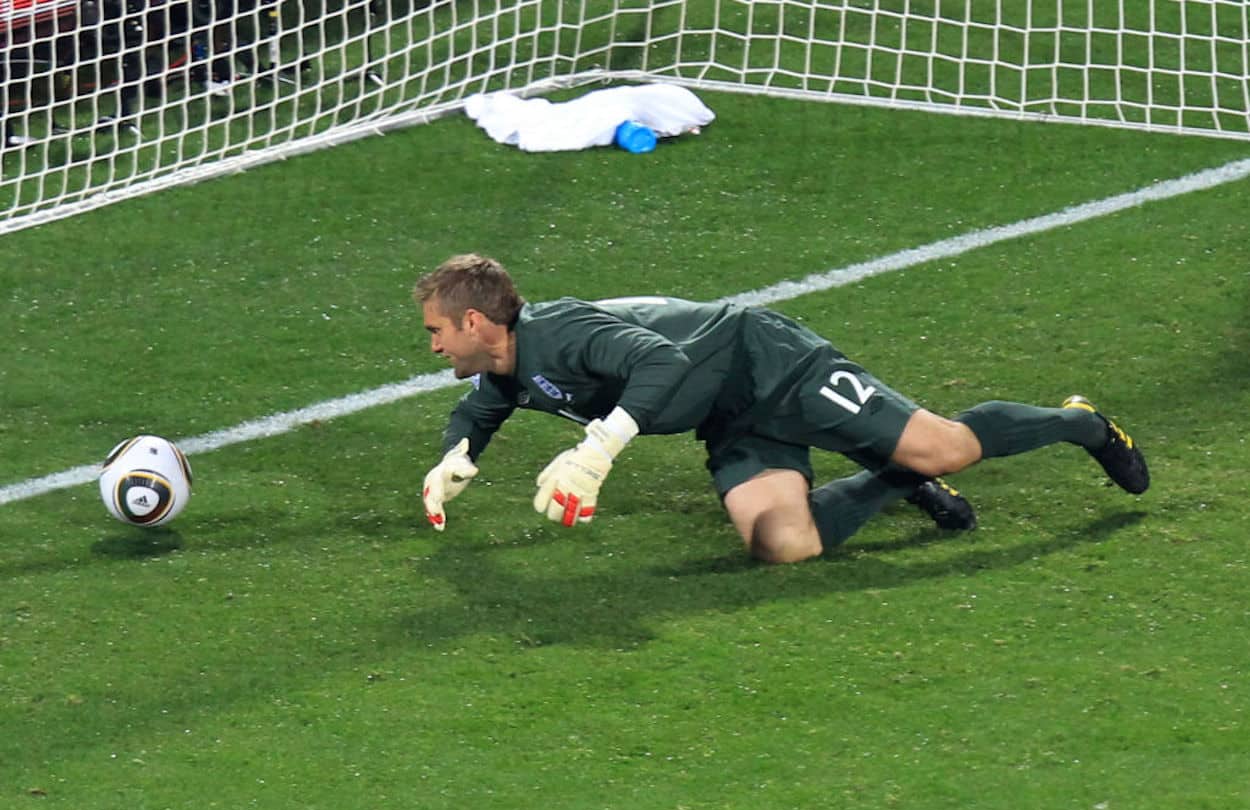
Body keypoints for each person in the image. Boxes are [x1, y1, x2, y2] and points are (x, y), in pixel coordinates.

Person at [416, 254, 1148, 564]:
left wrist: (599, 449)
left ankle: (1081, 422)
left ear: (476, 325)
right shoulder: (509, 366)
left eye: (437, 332)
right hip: (728, 417)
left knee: (948, 447)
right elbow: (481, 408)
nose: (434, 347)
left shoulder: (562, 333)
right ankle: (897, 478)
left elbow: (661, 361)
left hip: (771, 363)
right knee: (782, 546)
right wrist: (457, 456)